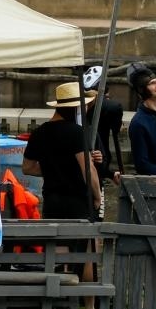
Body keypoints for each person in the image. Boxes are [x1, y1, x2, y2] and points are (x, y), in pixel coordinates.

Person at [21, 82, 102, 221]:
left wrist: (53, 168)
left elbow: (27, 168)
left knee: (54, 241)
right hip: (77, 201)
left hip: (51, 201)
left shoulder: (39, 132)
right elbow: (89, 170)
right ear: (76, 108)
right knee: (80, 240)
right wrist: (97, 197)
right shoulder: (77, 132)